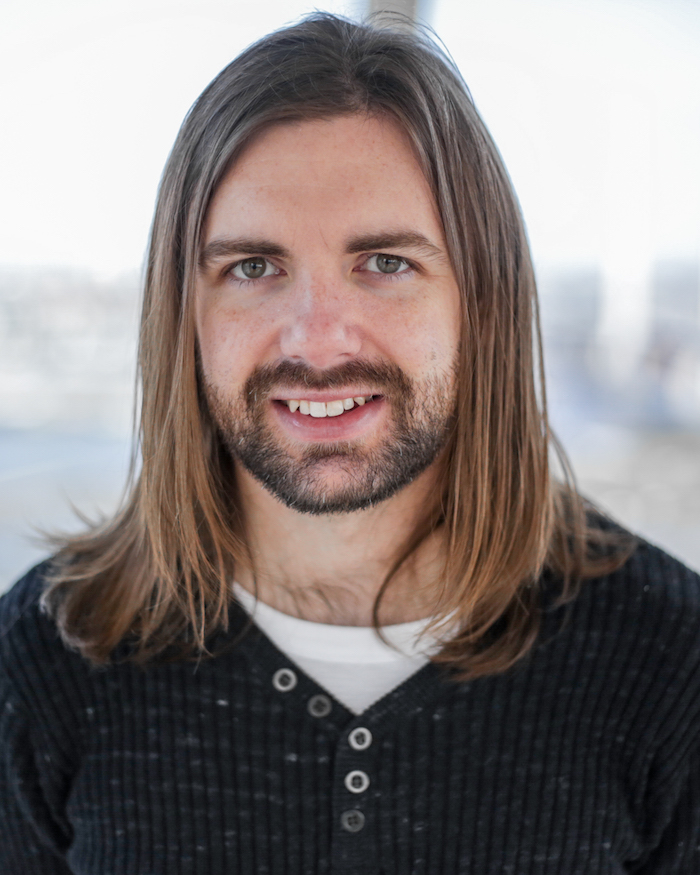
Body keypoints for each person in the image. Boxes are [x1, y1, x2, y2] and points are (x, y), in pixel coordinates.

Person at [1, 12, 699, 874]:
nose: (318, 341)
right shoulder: (44, 661)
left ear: (481, 301)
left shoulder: (671, 667)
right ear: (183, 313)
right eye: (254, 268)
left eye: (385, 263)